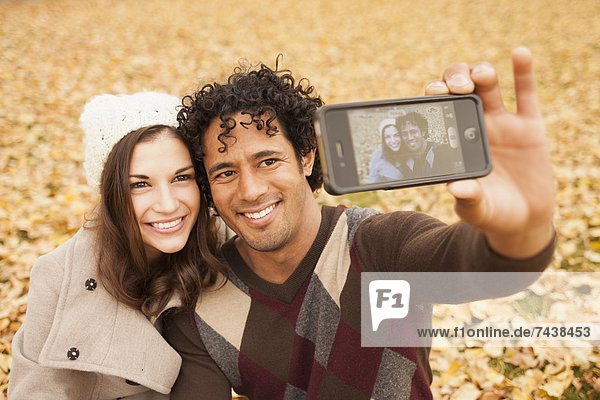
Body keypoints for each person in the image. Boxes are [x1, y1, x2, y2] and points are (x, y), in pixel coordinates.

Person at [164, 47, 555, 399]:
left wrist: (520, 228)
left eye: (268, 161)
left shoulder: (380, 248)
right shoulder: (199, 306)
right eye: (225, 173)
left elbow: (488, 268)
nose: (249, 191)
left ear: (306, 158)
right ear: (207, 187)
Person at [8, 92, 226, 399]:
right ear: (110, 192)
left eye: (181, 178)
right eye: (139, 184)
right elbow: (37, 391)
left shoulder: (223, 239)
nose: (167, 204)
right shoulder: (58, 274)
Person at [396, 111, 458, 178]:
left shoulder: (442, 152)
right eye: (404, 134)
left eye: (413, 132)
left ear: (423, 132)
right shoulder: (405, 159)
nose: (409, 138)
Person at [368, 118, 407, 183]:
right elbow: (373, 181)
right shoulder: (377, 157)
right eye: (388, 137)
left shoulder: (411, 149)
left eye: (396, 135)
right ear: (383, 139)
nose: (393, 141)